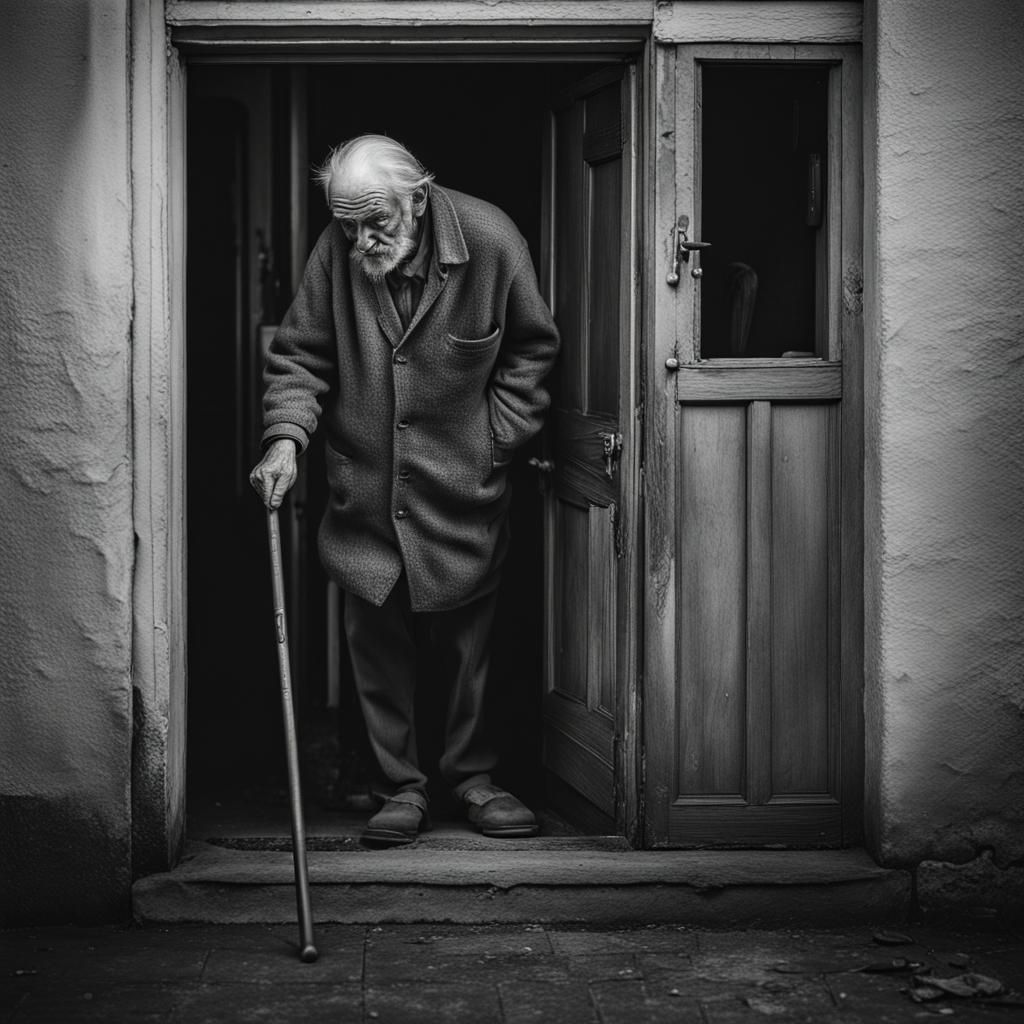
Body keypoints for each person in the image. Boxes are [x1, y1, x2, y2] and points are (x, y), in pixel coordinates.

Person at [249, 135, 560, 847]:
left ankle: (475, 780)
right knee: (377, 650)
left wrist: (498, 437)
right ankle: (399, 788)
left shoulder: (489, 239)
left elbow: (532, 348)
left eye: (375, 223)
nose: (359, 239)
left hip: (462, 492)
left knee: (468, 650)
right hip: (365, 493)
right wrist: (285, 440)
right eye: (348, 223)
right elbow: (300, 357)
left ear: (417, 198)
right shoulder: (337, 252)